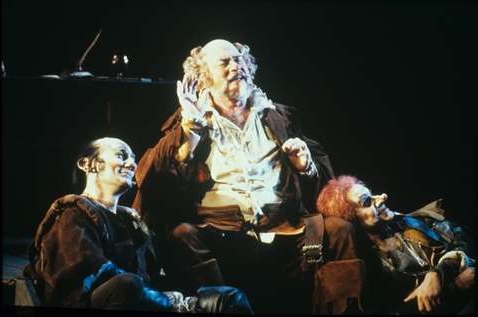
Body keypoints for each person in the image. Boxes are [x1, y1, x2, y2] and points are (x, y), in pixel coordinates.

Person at [132, 39, 363, 314]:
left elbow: (320, 183)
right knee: (182, 235)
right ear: (204, 76)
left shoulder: (276, 117)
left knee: (339, 230)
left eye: (239, 60)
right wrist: (191, 127)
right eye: (225, 62)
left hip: (284, 229)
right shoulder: (192, 120)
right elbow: (155, 180)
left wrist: (304, 166)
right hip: (221, 238)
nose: (236, 66)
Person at [22, 137, 253, 314]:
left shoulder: (131, 221)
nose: (131, 163)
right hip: (93, 302)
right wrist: (167, 299)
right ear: (88, 164)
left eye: (133, 157)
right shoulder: (72, 213)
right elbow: (85, 274)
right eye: (122, 155)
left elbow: (155, 271)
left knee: (229, 297)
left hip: (147, 300)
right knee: (127, 284)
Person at [317, 175, 475, 315]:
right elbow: (396, 311)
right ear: (353, 221)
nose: (381, 197)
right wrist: (455, 285)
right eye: (366, 201)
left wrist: (438, 272)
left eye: (372, 194)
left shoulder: (411, 221)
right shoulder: (369, 268)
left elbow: (461, 237)